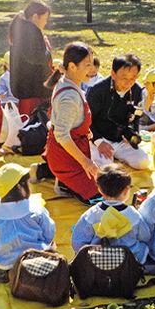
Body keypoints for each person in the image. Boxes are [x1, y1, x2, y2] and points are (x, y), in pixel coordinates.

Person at [0, 163, 55, 283]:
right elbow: (49, 233)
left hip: (4, 264)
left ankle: (9, 276)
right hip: (35, 259)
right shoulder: (36, 211)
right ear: (20, 187)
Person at [44, 42, 103, 205]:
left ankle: (52, 174)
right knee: (99, 197)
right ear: (72, 66)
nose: (93, 70)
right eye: (87, 65)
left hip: (72, 147)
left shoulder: (68, 82)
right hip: (65, 155)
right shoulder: (70, 96)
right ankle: (61, 177)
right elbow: (62, 134)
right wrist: (86, 162)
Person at [71, 163, 151, 264]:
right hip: (128, 262)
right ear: (126, 190)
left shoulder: (91, 214)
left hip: (98, 262)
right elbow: (145, 237)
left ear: (100, 190)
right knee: (143, 247)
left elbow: (77, 241)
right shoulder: (133, 215)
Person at [87, 53, 150, 170]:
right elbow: (86, 121)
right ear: (113, 73)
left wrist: (133, 134)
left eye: (133, 78)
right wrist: (98, 141)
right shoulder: (97, 90)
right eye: (124, 78)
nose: (128, 83)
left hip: (121, 139)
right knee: (105, 169)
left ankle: (116, 155)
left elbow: (136, 116)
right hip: (99, 137)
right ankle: (107, 156)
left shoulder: (136, 90)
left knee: (143, 162)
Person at [8, 0, 53, 116]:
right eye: (45, 18)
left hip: (30, 89)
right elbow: (36, 57)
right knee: (33, 125)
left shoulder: (23, 29)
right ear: (35, 16)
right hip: (33, 90)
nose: (46, 22)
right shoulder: (29, 32)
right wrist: (47, 50)